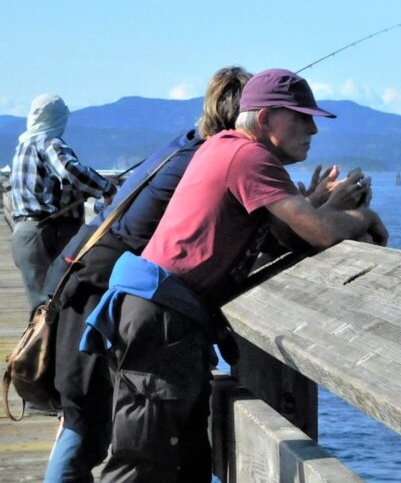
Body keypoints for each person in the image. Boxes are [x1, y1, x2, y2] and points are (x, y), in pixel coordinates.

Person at [82, 68, 387, 482]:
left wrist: (323, 204)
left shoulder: (224, 147)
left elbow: (289, 234)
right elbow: (319, 232)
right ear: (265, 118)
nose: (313, 129)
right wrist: (362, 216)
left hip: (162, 317)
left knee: (185, 462)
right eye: (301, 117)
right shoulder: (249, 157)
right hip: (163, 321)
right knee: (143, 463)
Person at [44, 66, 264, 483]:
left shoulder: (183, 145)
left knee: (83, 417)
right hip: (104, 285)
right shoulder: (212, 161)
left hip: (87, 272)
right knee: (84, 420)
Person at [7, 94, 114, 312]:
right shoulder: (49, 143)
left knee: (40, 309)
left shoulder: (22, 147)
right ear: (57, 117)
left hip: (24, 234)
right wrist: (107, 188)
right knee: (63, 305)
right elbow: (69, 170)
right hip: (48, 233)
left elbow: (52, 190)